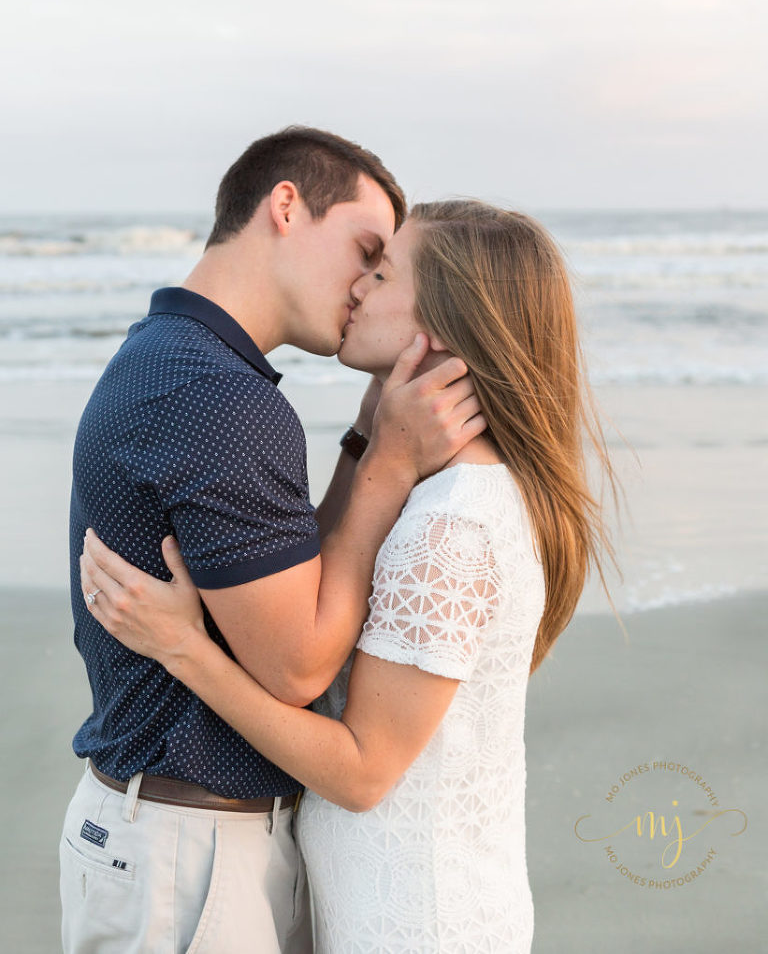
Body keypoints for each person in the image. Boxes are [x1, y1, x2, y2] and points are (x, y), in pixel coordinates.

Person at [82, 200, 618, 953]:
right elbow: (328, 580)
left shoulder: (452, 525)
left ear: (446, 323)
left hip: (417, 923)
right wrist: (371, 441)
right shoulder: (436, 491)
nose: (358, 285)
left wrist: (185, 649)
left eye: (383, 272)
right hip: (385, 905)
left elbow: (363, 772)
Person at [62, 129, 487, 954]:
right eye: (365, 250)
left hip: (160, 833)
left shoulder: (170, 354)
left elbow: (291, 587)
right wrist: (387, 467)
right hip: (188, 854)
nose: (365, 285)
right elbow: (297, 665)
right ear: (286, 206)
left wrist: (362, 443)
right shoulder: (219, 397)